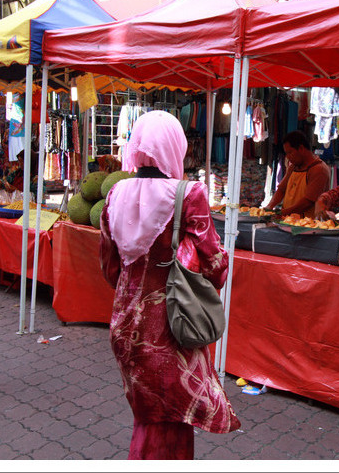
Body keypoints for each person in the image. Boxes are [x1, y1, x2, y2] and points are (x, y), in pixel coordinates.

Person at [98, 110, 240, 460]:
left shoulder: (115, 193)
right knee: (169, 419)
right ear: (175, 146)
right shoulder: (189, 194)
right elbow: (213, 264)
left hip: (125, 323)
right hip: (171, 324)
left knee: (149, 414)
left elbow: (109, 267)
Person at [266, 130, 331, 217]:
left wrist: (282, 213)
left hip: (307, 225)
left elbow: (307, 202)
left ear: (301, 148)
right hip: (287, 220)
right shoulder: (293, 167)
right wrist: (269, 207)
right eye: (286, 153)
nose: (288, 157)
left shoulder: (319, 170)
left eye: (290, 152)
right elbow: (281, 190)